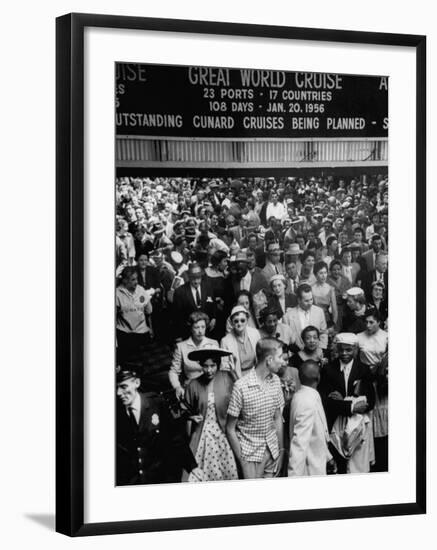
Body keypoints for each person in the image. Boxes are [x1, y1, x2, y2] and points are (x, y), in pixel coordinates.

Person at [116, 367, 198, 485]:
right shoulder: (115, 412)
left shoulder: (156, 404)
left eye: (123, 387)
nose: (118, 393)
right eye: (116, 388)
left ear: (137, 383)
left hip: (158, 478)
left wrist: (192, 466)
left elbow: (174, 437)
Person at [226, 337, 286, 479]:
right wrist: (242, 459)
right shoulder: (241, 387)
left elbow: (277, 417)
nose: (283, 361)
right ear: (269, 360)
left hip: (272, 451)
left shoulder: (276, 380)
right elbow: (229, 428)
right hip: (250, 455)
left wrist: (281, 449)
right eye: (280, 357)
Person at [320, 332, 375, 474]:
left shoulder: (363, 369)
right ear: (336, 349)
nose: (344, 353)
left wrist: (342, 401)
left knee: (358, 466)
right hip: (336, 426)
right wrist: (351, 405)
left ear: (355, 350)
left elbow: (370, 401)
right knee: (340, 466)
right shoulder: (328, 370)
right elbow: (326, 402)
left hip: (358, 427)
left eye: (348, 350)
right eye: (341, 350)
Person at [184, 347, 239, 482]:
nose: (209, 370)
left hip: (224, 432)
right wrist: (190, 417)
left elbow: (239, 399)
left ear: (218, 365)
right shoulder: (193, 384)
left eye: (213, 366)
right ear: (201, 366)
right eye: (205, 366)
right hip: (203, 433)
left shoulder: (227, 378)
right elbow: (184, 409)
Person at [357, 307, 389, 472]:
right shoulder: (359, 338)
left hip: (382, 382)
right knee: (369, 420)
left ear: (379, 322)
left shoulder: (386, 336)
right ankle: (371, 460)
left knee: (384, 418)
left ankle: (385, 460)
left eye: (372, 322)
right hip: (367, 382)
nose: (368, 325)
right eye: (366, 322)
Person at [288, 360, 333, 477]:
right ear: (318, 377)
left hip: (317, 462)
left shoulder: (301, 395)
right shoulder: (307, 402)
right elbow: (299, 444)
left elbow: (318, 432)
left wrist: (328, 457)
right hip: (310, 470)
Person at [169, 311, 219, 400]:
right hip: (192, 389)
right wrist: (177, 387)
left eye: (203, 327)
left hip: (212, 387)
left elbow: (219, 368)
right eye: (196, 327)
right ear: (191, 328)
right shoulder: (181, 347)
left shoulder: (213, 343)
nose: (200, 331)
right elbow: (173, 371)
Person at [116, 266, 154, 364]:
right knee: (129, 363)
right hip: (125, 335)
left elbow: (148, 312)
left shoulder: (141, 290)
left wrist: (151, 329)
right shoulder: (117, 293)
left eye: (136, 279)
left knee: (145, 362)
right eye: (133, 279)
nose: (136, 282)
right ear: (124, 280)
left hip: (142, 332)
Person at [172, 262, 216, 339]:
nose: (196, 281)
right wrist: (179, 335)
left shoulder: (208, 287)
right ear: (189, 277)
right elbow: (177, 315)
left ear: (202, 277)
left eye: (198, 278)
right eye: (193, 278)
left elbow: (213, 304)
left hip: (206, 331)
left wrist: (213, 318)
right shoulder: (180, 292)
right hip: (187, 332)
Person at [283, 284, 328, 351]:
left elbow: (323, 333)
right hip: (297, 355)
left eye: (311, 299)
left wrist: (321, 349)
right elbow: (286, 339)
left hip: (317, 353)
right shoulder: (287, 316)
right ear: (299, 300)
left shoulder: (319, 312)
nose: (310, 303)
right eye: (306, 301)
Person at [220, 305, 261, 378]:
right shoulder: (225, 341)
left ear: (247, 320)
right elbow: (225, 367)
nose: (239, 323)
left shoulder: (255, 333)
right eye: (236, 321)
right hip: (236, 377)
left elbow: (261, 357)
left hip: (256, 374)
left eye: (242, 320)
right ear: (232, 323)